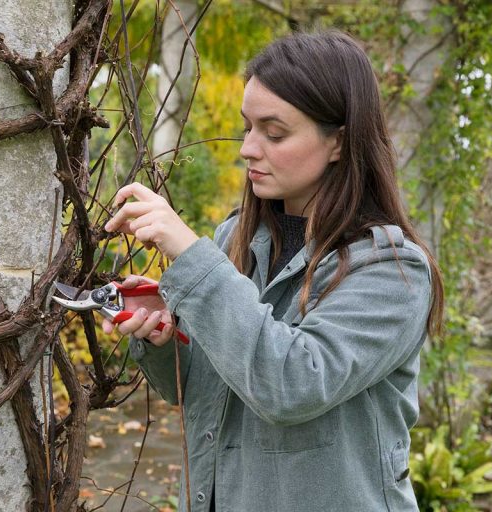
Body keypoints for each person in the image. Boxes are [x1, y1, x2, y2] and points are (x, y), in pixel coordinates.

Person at [102, 29, 444, 512]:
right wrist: (163, 339)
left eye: (274, 132)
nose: (248, 148)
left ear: (339, 143)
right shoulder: (237, 239)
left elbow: (290, 387)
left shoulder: (392, 271)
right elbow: (208, 393)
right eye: (248, 128)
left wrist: (193, 259)